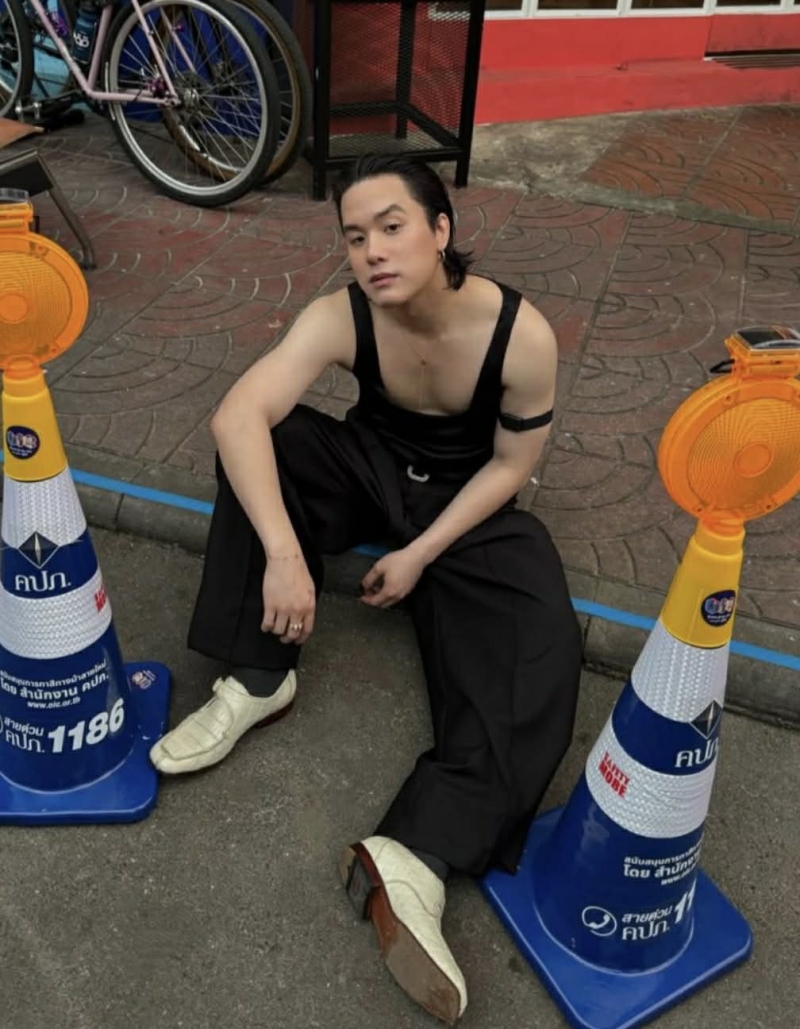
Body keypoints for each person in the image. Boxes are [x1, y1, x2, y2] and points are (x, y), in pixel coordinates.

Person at [150, 154, 583, 1025]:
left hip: (463, 499)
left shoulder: (520, 334)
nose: (373, 251)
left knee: (542, 634)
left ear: (441, 230)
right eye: (355, 236)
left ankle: (418, 851)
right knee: (264, 445)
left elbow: (510, 467)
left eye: (392, 226)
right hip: (373, 466)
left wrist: (421, 552)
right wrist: (285, 553)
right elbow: (237, 413)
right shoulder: (341, 314)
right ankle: (260, 675)